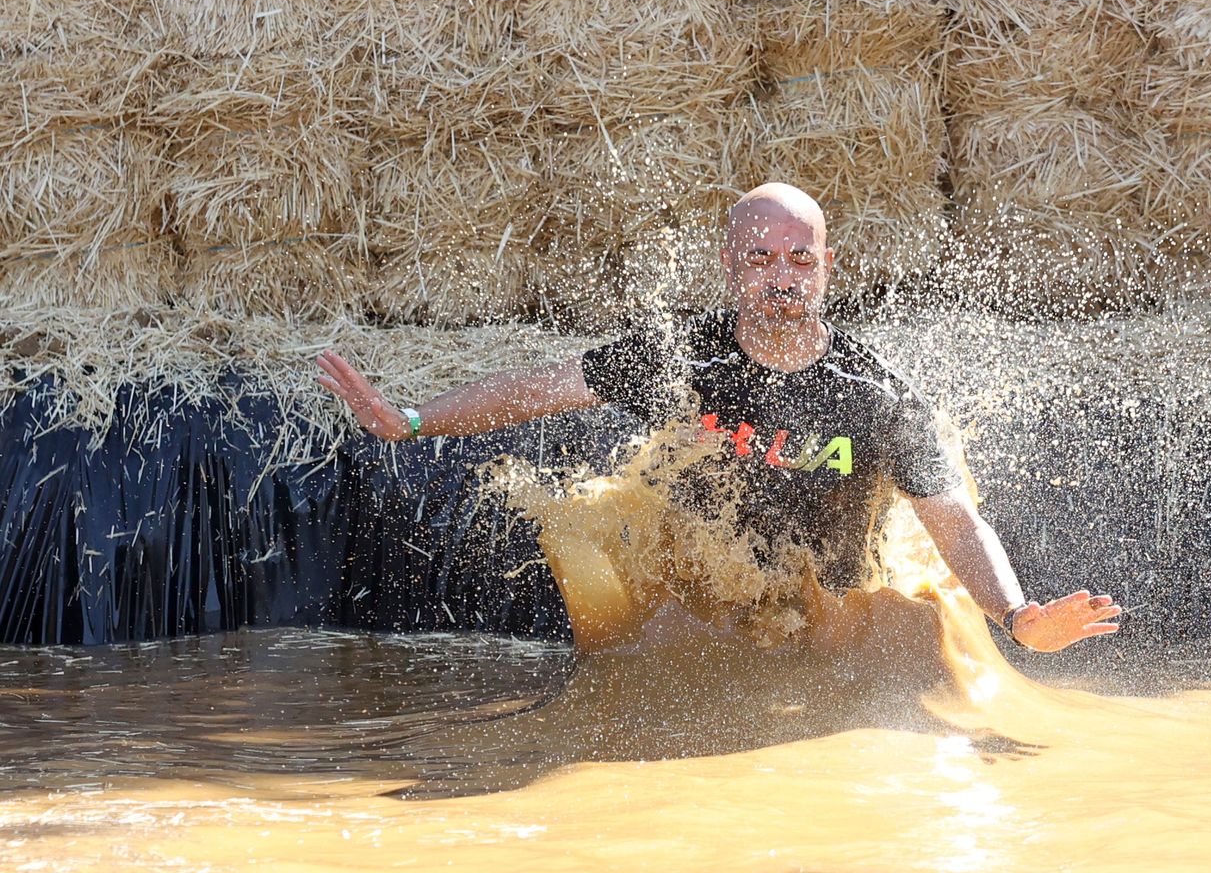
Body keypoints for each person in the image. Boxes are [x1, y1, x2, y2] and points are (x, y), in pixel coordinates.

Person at [315, 182, 1122, 652]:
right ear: (731, 265)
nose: (781, 276)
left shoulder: (876, 394)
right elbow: (538, 388)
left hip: (833, 612)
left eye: (800, 258)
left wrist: (1017, 619)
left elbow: (955, 523)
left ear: (826, 268)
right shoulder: (685, 359)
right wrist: (412, 421)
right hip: (717, 603)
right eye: (761, 257)